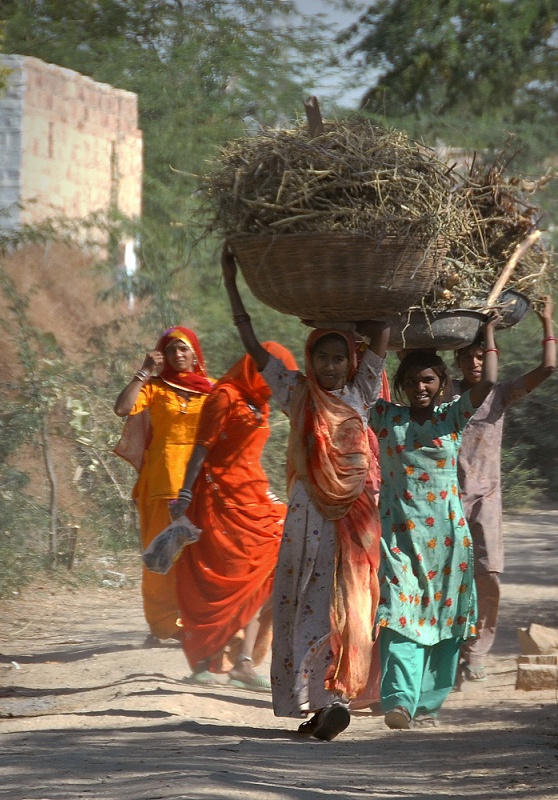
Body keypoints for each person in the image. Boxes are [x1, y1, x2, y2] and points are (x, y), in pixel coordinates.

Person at [223, 244, 389, 741]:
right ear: (311, 356)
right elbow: (254, 348)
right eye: (323, 355)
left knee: (351, 603)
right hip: (309, 515)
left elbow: (381, 336)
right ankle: (318, 703)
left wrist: (373, 276)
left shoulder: (361, 392)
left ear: (351, 361)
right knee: (305, 600)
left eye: (341, 357)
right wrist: (232, 284)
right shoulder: (296, 392)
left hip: (355, 518)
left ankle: (335, 697)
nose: (333, 366)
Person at [368, 325, 498, 730]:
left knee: (446, 621)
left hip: (447, 543)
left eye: (428, 379)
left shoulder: (452, 417)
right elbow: (364, 387)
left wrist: (488, 329)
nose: (419, 387)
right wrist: (368, 339)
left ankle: (428, 705)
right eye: (410, 381)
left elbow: (489, 379)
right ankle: (401, 702)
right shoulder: (386, 418)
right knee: (398, 615)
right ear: (401, 387)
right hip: (400, 540)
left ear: (443, 383)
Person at [168, 343, 297, 690]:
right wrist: (183, 493)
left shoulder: (262, 401)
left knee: (261, 574)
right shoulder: (224, 395)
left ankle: (243, 661)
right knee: (222, 579)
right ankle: (208, 660)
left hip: (254, 495)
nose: (275, 380)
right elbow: (201, 447)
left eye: (280, 374)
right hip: (218, 498)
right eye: (270, 372)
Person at [453, 295, 556, 686]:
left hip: (487, 500)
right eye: (467, 358)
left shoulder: (500, 394)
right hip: (446, 499)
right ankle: (451, 651)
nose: (475, 363)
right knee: (448, 578)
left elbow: (548, 367)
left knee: (488, 577)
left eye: (482, 356)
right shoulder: (447, 397)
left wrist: (546, 321)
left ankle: (477, 651)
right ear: (457, 363)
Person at [113, 327, 213, 645]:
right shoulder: (155, 388)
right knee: (161, 556)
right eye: (170, 351)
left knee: (200, 557)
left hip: (199, 486)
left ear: (195, 353)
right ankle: (164, 626)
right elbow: (122, 409)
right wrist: (144, 371)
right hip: (160, 484)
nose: (177, 355)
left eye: (183, 349)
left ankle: (199, 621)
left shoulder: (211, 390)